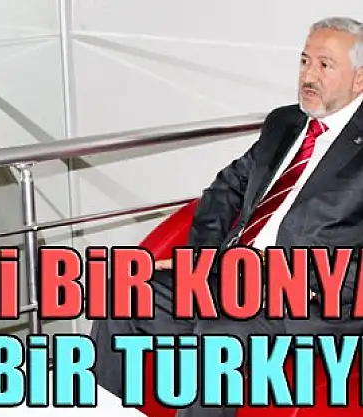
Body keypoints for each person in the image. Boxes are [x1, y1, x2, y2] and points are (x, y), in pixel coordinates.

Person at [90, 16, 363, 417]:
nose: (308, 75)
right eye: (304, 61)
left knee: (217, 340)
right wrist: (200, 261)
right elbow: (227, 188)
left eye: (325, 65)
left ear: (359, 79)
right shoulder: (285, 123)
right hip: (230, 276)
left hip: (305, 299)